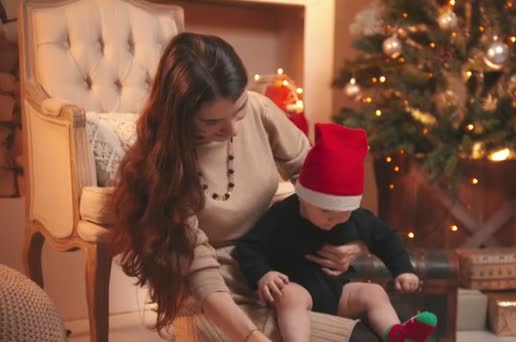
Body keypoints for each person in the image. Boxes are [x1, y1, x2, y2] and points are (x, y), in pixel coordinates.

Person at [110, 32, 385, 341]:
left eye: (238, 109)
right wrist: (253, 337)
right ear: (181, 117)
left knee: (384, 327)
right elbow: (202, 279)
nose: (233, 129)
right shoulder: (164, 169)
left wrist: (349, 243)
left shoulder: (259, 109)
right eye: (213, 123)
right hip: (220, 294)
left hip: (282, 269)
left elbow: (319, 181)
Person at [236, 123, 437, 342]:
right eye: (324, 211)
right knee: (290, 296)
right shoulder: (283, 215)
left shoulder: (358, 217)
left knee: (374, 293)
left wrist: (403, 270)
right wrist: (263, 274)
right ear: (304, 197)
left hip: (340, 293)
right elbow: (249, 246)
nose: (333, 219)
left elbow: (386, 237)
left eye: (343, 213)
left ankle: (396, 334)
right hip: (298, 289)